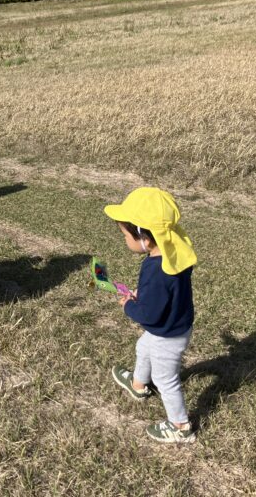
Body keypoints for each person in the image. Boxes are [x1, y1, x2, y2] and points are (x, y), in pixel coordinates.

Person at [104, 187, 198, 443]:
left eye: (125, 234)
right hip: (176, 324)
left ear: (143, 235)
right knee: (143, 347)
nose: (125, 239)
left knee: (165, 378)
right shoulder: (175, 253)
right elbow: (165, 294)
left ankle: (180, 426)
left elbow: (149, 315)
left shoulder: (156, 270)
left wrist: (129, 306)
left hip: (167, 334)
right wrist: (143, 295)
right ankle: (138, 385)